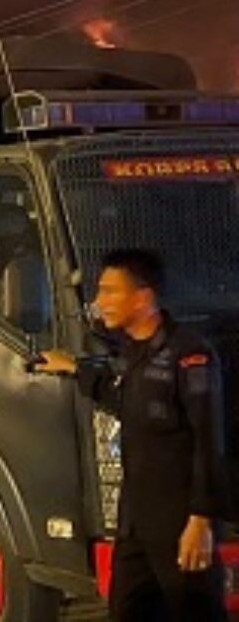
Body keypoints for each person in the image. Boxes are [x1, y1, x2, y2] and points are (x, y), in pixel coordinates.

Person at [38, 248, 228, 622]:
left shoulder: (189, 355)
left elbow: (209, 442)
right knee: (127, 610)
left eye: (110, 291)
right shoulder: (130, 351)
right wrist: (74, 369)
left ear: (143, 298)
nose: (98, 302)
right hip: (136, 524)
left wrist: (201, 521)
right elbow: (123, 397)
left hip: (181, 524)